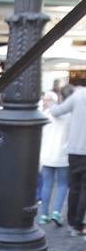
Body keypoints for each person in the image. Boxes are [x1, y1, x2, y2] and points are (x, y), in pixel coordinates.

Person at [50, 85, 86, 236]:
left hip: (74, 150)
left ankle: (72, 222)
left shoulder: (78, 95)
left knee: (75, 187)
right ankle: (78, 224)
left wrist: (51, 103)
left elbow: (57, 111)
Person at [39, 89, 71, 226]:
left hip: (47, 155)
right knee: (63, 185)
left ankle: (44, 215)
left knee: (47, 185)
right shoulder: (70, 115)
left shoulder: (45, 115)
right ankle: (57, 212)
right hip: (63, 156)